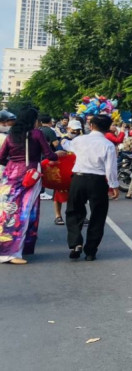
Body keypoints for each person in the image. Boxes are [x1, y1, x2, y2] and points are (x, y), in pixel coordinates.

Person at [0, 108, 60, 264]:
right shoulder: (36, 134)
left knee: (7, 211)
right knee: (24, 212)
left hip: (9, 175)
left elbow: (1, 157)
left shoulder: (11, 135)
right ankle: (13, 252)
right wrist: (58, 155)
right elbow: (50, 155)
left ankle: (5, 248)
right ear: (33, 120)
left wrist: (13, 164)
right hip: (29, 175)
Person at [62, 114, 119, 261]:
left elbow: (66, 145)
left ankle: (75, 243)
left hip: (79, 179)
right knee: (98, 215)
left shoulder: (79, 140)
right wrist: (114, 185)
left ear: (91, 126)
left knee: (73, 211)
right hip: (98, 181)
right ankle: (91, 251)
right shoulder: (108, 145)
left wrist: (63, 139)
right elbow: (110, 168)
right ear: (108, 128)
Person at [53, 120, 85, 225]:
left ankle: (80, 215)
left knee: (79, 194)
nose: (76, 132)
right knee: (59, 193)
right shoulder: (63, 140)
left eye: (78, 130)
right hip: (63, 170)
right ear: (68, 129)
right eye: (74, 130)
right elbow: (58, 154)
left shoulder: (82, 140)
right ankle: (58, 216)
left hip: (77, 169)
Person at [37, 115, 59, 202]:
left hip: (37, 154)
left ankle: (40, 191)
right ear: (50, 122)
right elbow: (55, 143)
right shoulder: (50, 131)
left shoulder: (37, 130)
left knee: (39, 173)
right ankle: (43, 192)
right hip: (47, 155)